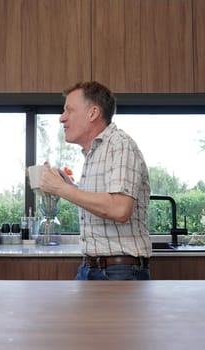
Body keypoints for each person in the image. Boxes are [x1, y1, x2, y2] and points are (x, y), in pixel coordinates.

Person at [40, 81, 151, 280]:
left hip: (119, 271)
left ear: (92, 113)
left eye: (69, 110)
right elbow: (101, 200)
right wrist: (68, 187)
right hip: (93, 267)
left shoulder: (120, 145)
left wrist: (60, 189)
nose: (61, 118)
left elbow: (119, 209)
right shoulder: (94, 152)